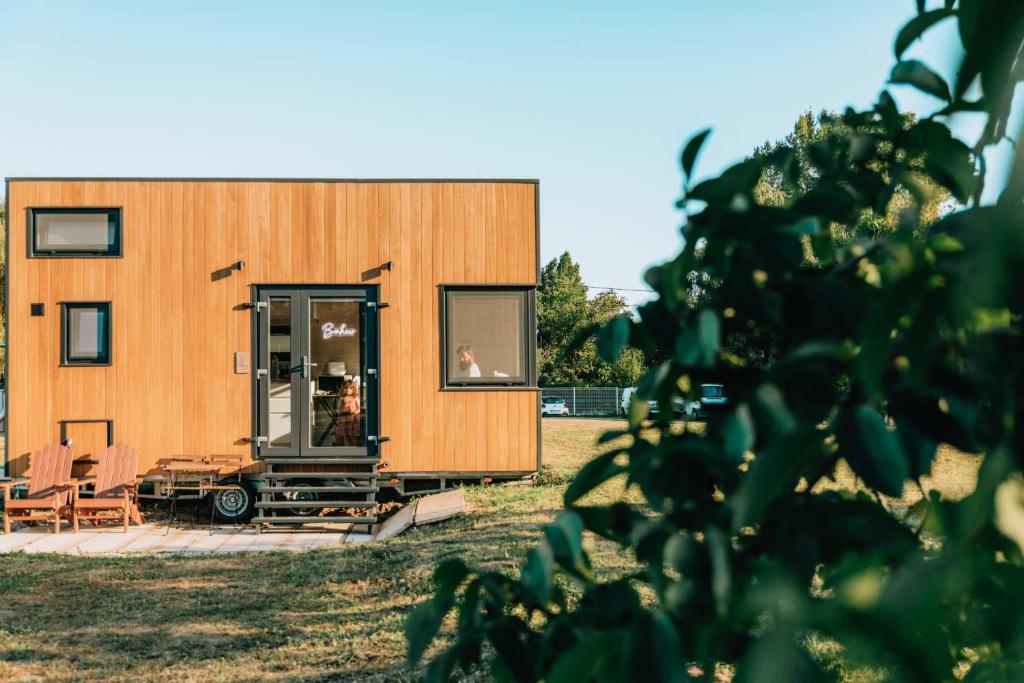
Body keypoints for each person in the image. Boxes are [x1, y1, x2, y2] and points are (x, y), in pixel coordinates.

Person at [334, 380, 361, 446]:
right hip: (344, 419)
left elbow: (359, 408)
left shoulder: (355, 398)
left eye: (350, 388)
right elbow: (337, 409)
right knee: (345, 435)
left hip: (353, 419)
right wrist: (341, 411)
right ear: (343, 389)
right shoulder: (342, 398)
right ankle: (347, 448)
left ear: (353, 389)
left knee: (353, 435)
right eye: (346, 388)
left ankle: (354, 448)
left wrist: (355, 412)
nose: (348, 390)